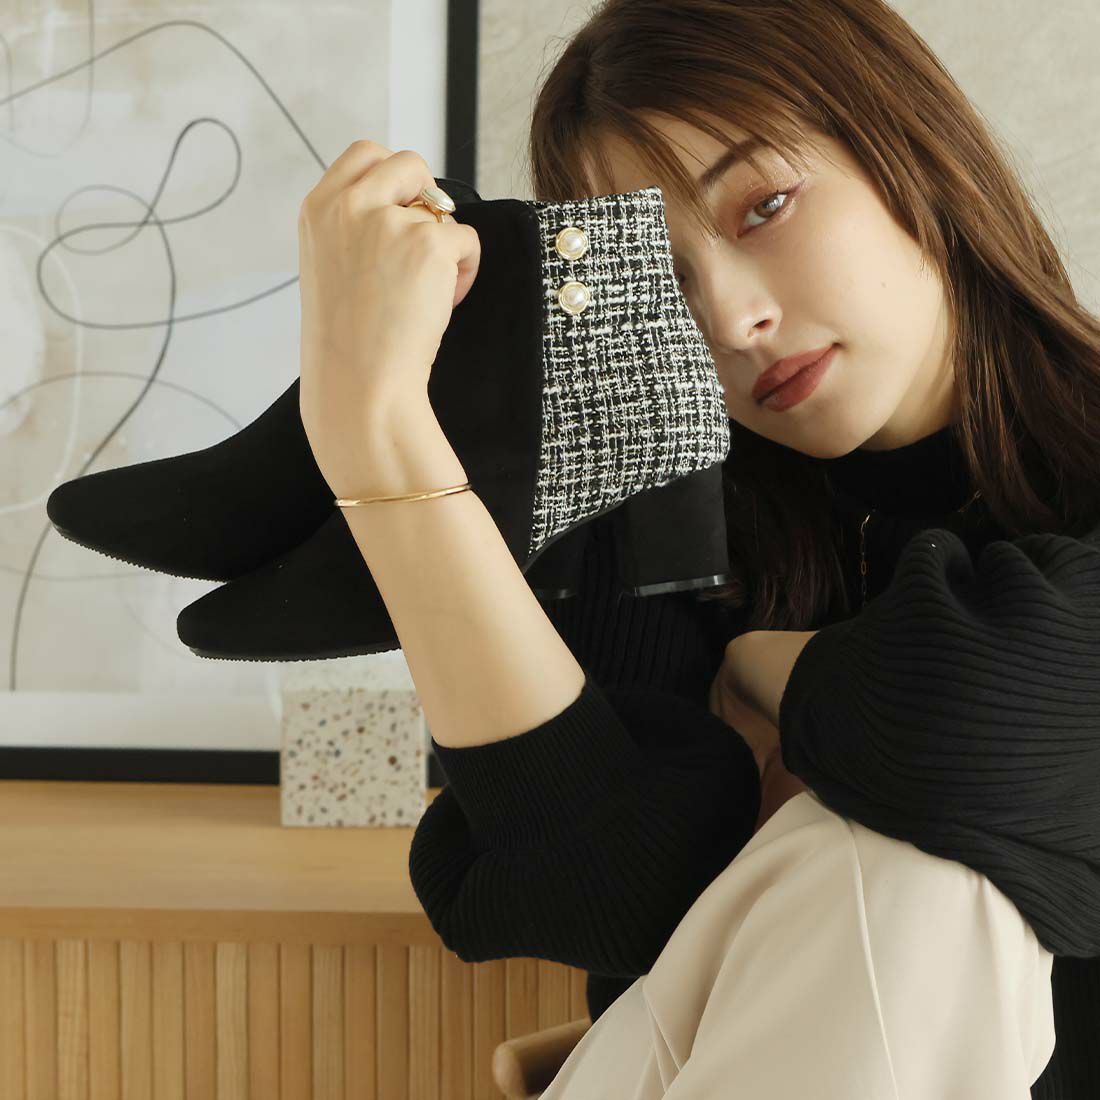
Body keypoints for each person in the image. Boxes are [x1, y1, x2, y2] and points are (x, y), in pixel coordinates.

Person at [295, 0, 1100, 1094]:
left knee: (909, 860)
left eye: (763, 205)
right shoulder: (666, 516)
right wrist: (375, 430)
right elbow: (602, 891)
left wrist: (762, 666)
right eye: (664, 277)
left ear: (907, 145)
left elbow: (987, 724)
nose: (727, 318)